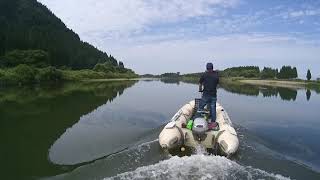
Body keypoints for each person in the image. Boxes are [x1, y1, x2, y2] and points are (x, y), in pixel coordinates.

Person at [198, 62, 219, 127]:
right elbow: (217, 84)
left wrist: (200, 89)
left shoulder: (204, 75)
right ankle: (213, 122)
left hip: (206, 95)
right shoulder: (216, 75)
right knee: (213, 108)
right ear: (212, 67)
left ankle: (199, 119)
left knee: (200, 107)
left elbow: (200, 83)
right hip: (213, 95)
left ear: (207, 68)